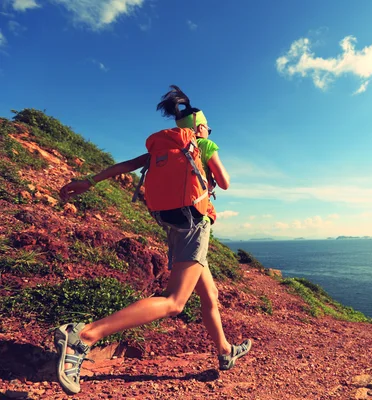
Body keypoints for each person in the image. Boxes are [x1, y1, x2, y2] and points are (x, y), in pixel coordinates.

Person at [54, 86, 251, 395]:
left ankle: (225, 351)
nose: (208, 131)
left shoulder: (163, 148)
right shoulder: (205, 144)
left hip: (173, 222)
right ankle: (85, 336)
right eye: (207, 127)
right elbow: (224, 183)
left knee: (209, 294)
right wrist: (209, 151)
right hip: (194, 224)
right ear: (200, 127)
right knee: (175, 302)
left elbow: (125, 167)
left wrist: (88, 182)